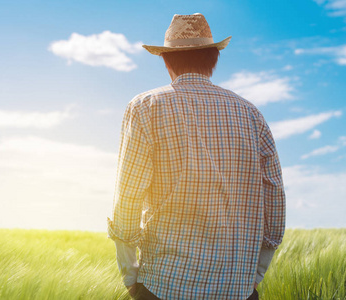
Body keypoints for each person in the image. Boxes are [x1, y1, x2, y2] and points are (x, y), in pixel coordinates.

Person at [107, 13, 286, 300]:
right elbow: (274, 196)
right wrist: (256, 274)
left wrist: (130, 274)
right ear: (213, 58)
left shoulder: (145, 107)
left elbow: (129, 193)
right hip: (238, 289)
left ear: (166, 61)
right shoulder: (252, 114)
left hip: (164, 285)